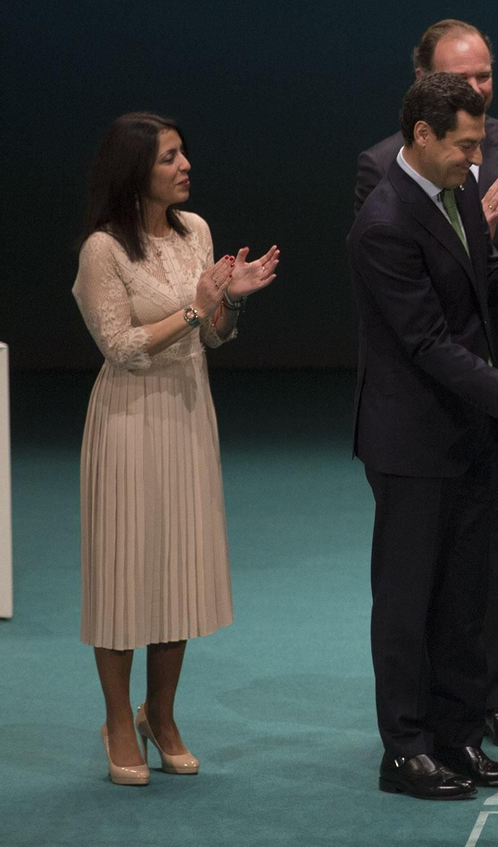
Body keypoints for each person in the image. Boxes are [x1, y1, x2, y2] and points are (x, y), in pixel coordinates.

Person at [348, 72, 498, 801]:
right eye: (465, 145)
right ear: (422, 135)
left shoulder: (461, 193)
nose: (476, 159)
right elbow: (426, 342)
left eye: (479, 143)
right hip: (412, 447)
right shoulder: (383, 220)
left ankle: (456, 738)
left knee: (464, 600)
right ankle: (404, 749)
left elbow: (482, 284)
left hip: (468, 436)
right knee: (409, 603)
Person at [73, 112, 281, 785]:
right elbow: (122, 347)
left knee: (177, 567)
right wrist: (195, 307)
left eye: (184, 152)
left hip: (190, 413)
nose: (185, 164)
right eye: (170, 157)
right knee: (124, 571)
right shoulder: (104, 249)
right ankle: (114, 719)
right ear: (136, 171)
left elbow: (215, 337)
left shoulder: (198, 232)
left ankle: (159, 715)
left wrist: (231, 304)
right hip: (130, 421)